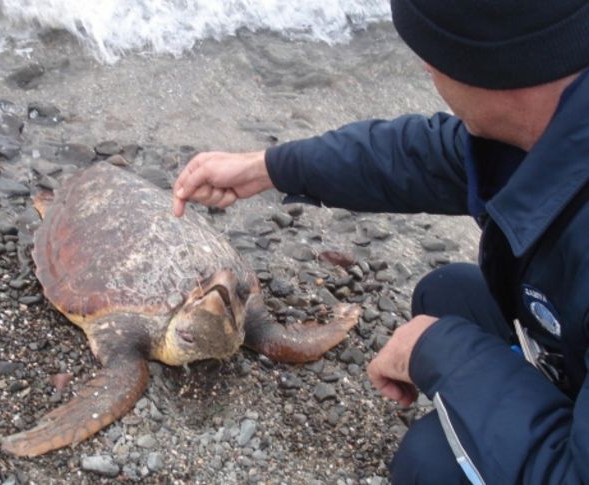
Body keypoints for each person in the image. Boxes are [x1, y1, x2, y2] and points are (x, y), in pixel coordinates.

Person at [171, 0, 589, 483]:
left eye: (431, 57)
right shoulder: (550, 120)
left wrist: (439, 351)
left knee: (427, 462)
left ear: (490, 62)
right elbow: (419, 158)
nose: (428, 69)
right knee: (447, 294)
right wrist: (267, 167)